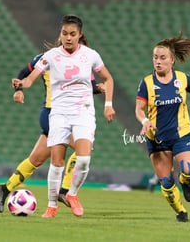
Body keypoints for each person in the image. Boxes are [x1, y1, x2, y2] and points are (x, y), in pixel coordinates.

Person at [12, 14, 115, 218]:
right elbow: (31, 78)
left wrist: (108, 105)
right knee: (57, 162)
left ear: (80, 35)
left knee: (84, 158)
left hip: (83, 112)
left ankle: (72, 194)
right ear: (61, 34)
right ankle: (51, 206)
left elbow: (108, 78)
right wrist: (21, 85)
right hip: (58, 113)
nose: (68, 37)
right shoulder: (51, 56)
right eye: (65, 33)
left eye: (72, 34)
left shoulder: (90, 55)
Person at [0, 53, 104, 213]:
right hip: (51, 113)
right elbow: (24, 73)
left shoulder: (83, 60)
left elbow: (91, 86)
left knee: (35, 160)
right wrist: (18, 90)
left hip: (69, 114)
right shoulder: (47, 57)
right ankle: (65, 191)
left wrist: (100, 88)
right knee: (83, 149)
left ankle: (5, 188)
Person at [135, 33, 190, 222]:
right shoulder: (146, 83)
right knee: (166, 182)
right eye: (155, 57)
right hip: (157, 139)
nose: (158, 61)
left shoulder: (183, 79)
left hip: (182, 133)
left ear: (172, 60)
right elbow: (139, 109)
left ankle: (185, 181)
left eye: (162, 58)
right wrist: (144, 121)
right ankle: (181, 211)